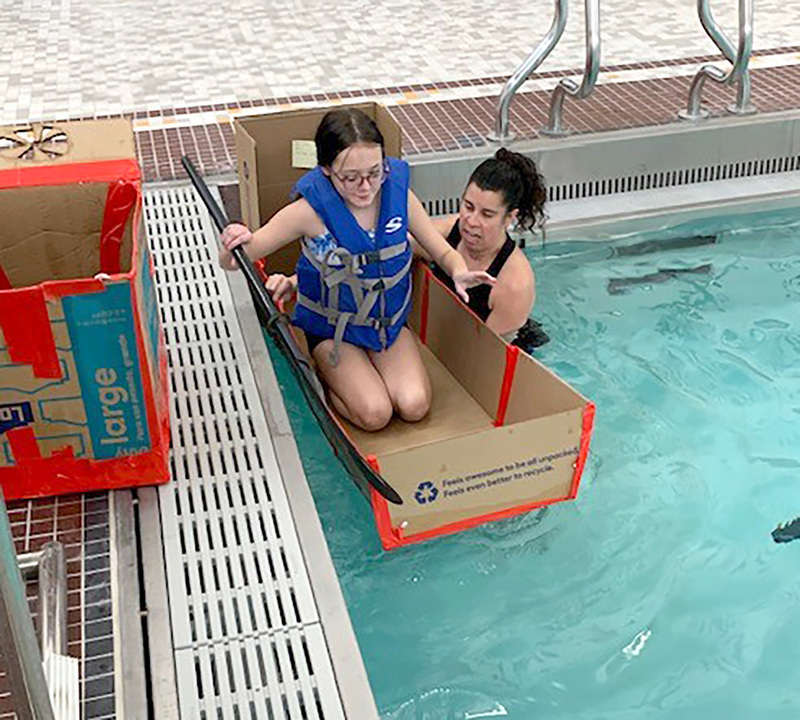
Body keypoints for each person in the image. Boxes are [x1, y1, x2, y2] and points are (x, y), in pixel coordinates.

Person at [219, 108, 494, 432]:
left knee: (414, 405)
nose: (366, 187)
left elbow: (444, 251)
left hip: (385, 326)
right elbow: (235, 260)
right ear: (326, 171)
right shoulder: (308, 212)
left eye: (375, 172)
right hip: (333, 327)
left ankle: (365, 372)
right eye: (350, 178)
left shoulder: (398, 197)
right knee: (374, 414)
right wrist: (230, 242)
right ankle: (325, 374)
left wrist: (458, 271)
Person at [425, 148, 549, 351]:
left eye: (487, 214)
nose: (471, 222)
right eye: (468, 206)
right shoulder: (448, 233)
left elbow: (484, 357)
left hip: (506, 343)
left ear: (509, 218)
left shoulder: (514, 284)